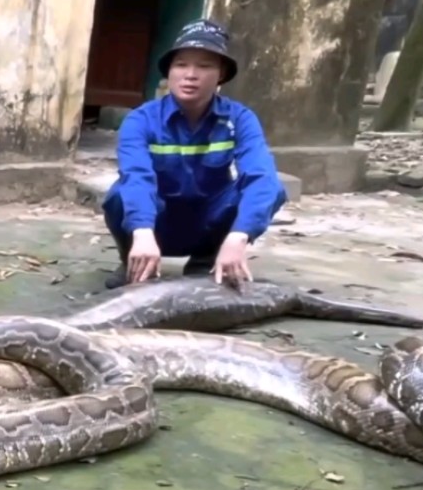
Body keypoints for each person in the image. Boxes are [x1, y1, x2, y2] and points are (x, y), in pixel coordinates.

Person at [101, 19, 287, 289]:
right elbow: (136, 175)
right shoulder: (140, 119)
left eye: (204, 66)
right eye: (181, 64)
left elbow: (262, 176)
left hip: (209, 221)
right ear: (170, 72)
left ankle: (206, 261)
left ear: (221, 74)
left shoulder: (240, 119)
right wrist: (141, 231)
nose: (190, 74)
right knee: (120, 193)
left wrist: (240, 236)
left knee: (271, 188)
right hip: (155, 226)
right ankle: (134, 259)